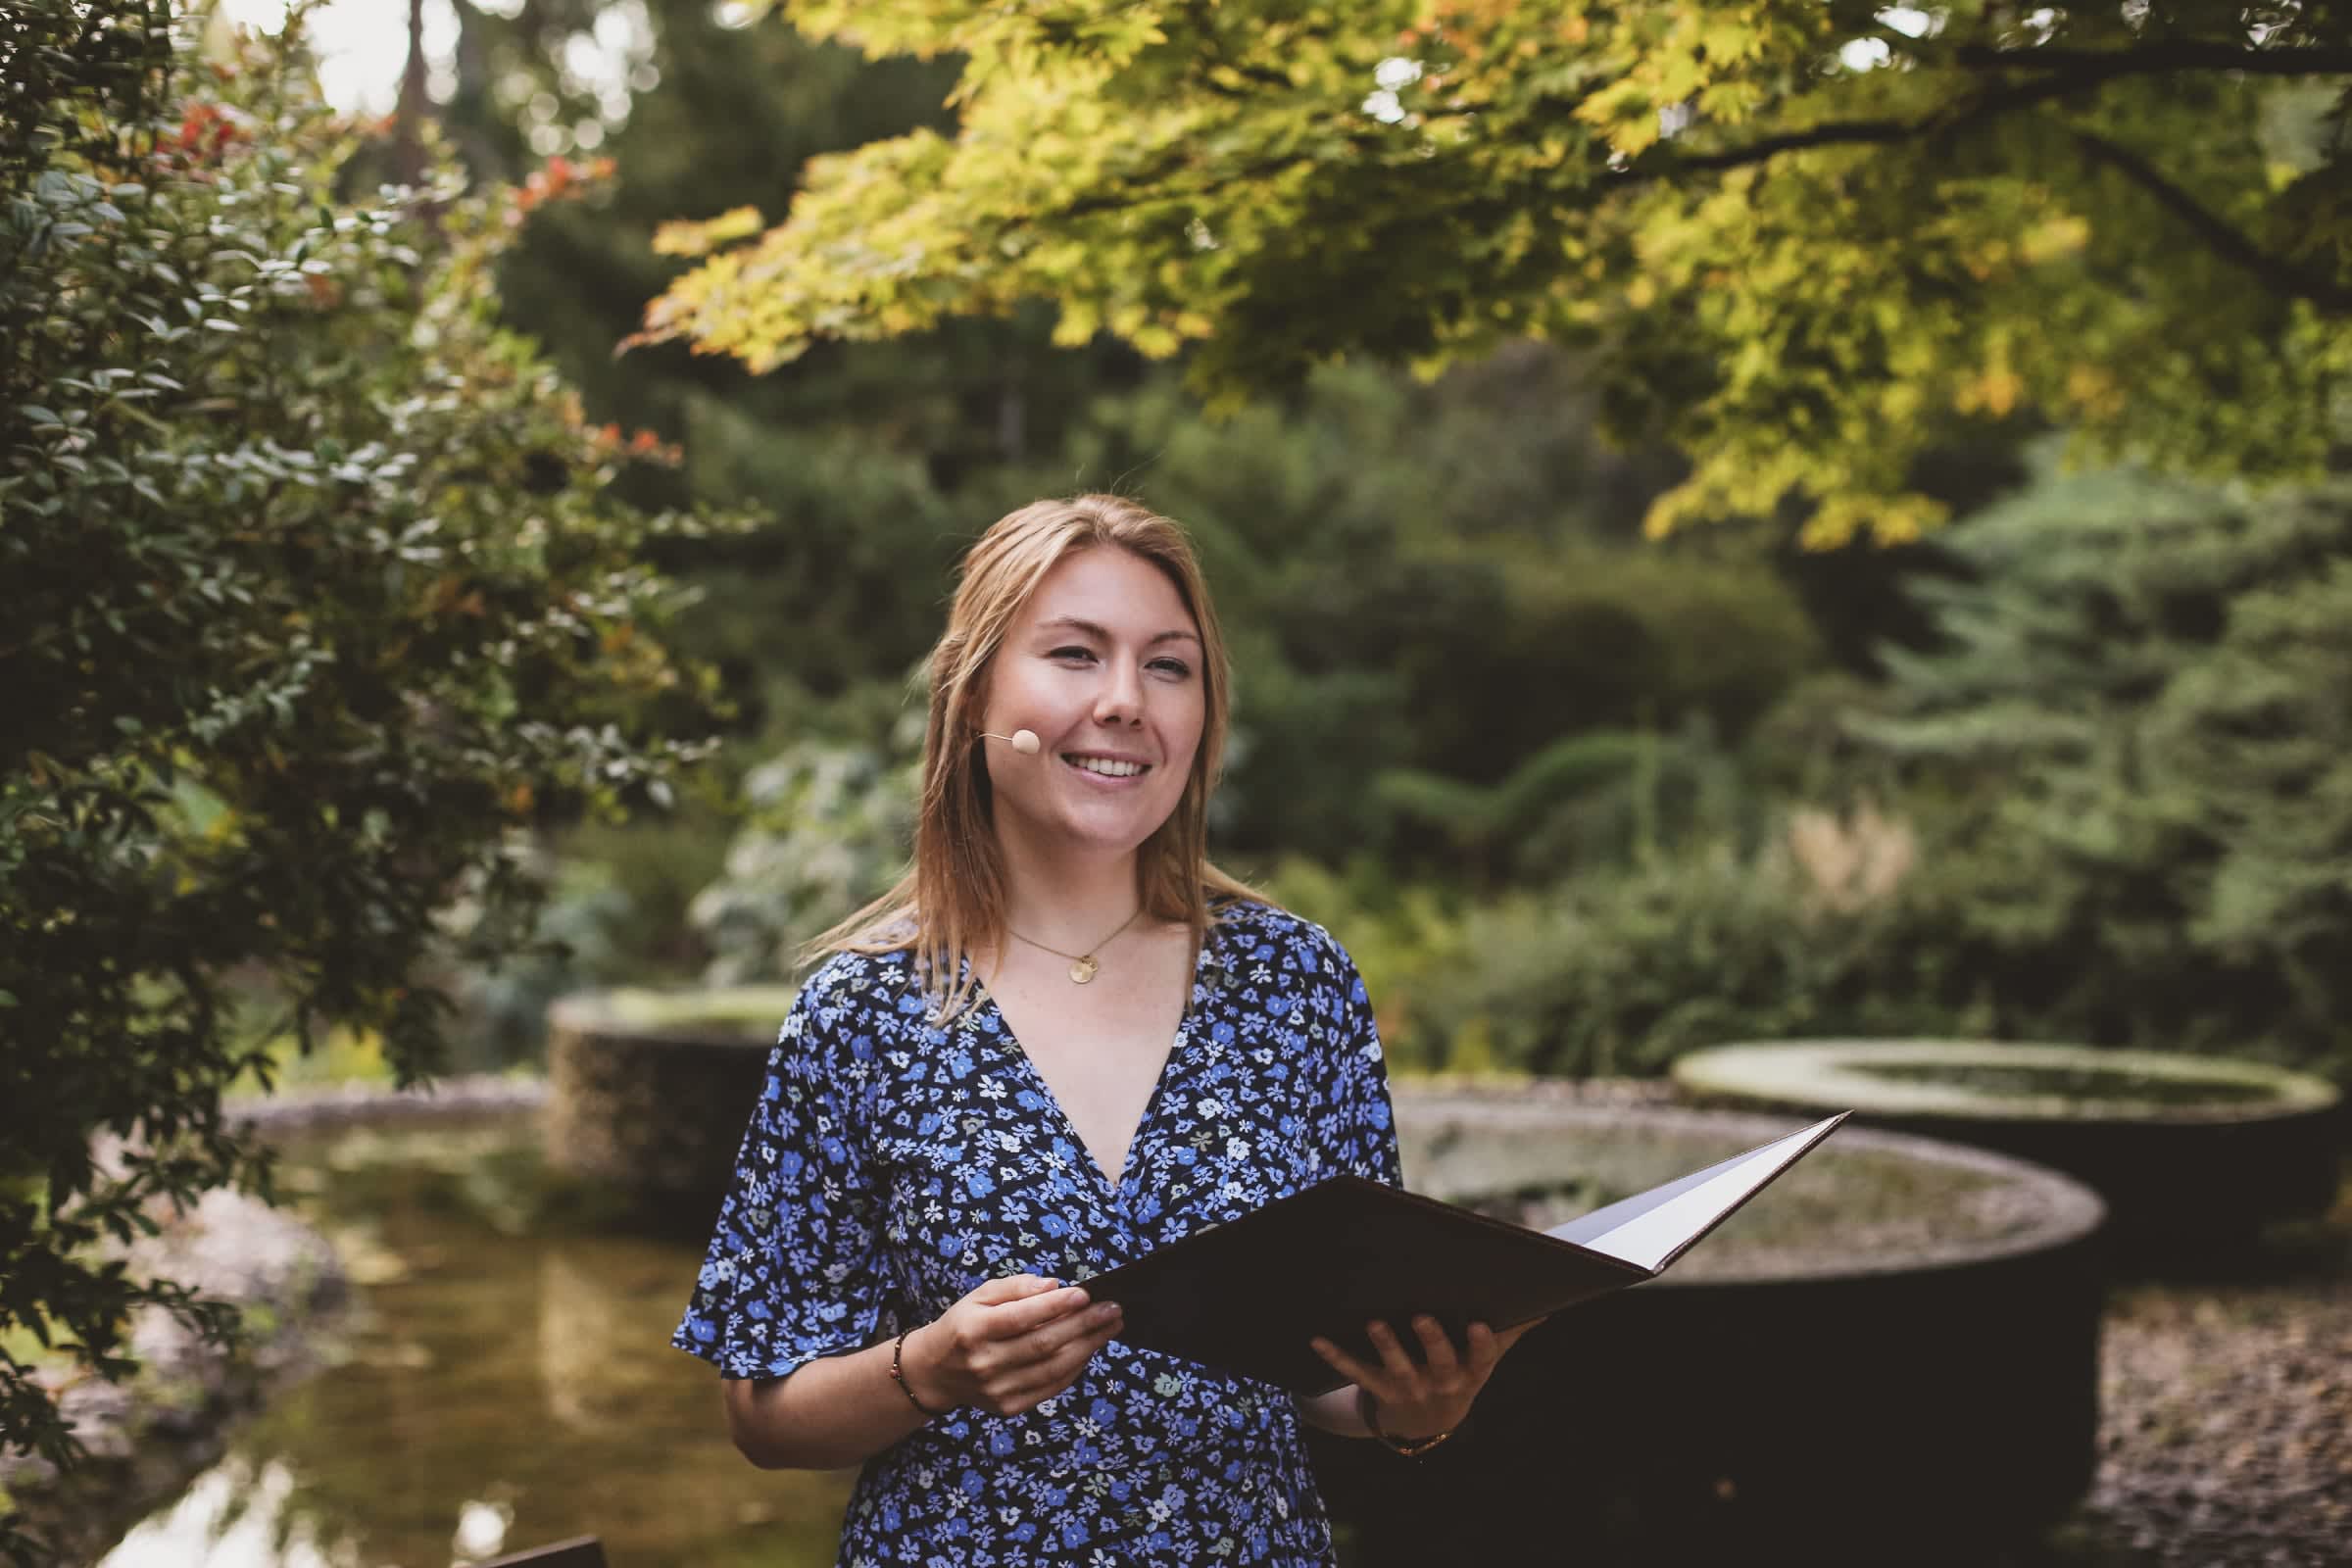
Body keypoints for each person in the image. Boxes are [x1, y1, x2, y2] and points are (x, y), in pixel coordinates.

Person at [673, 495, 1535, 1566]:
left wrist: (1416, 1404)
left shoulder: (1297, 982)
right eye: (1077, 654)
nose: (1126, 700)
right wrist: (931, 1370)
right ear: (974, 689)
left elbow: (1333, 1372)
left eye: (1168, 666)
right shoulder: (863, 1011)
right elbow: (762, 1412)